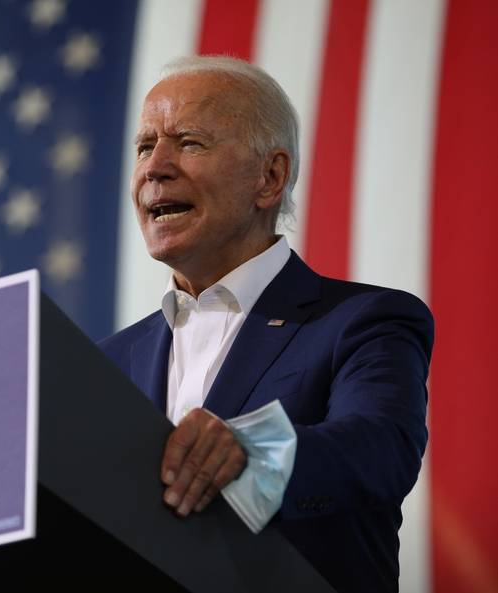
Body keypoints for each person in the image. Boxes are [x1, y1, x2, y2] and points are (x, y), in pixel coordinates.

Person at [99, 56, 433, 593]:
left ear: (269, 176)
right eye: (144, 147)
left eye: (188, 142)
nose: (154, 167)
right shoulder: (107, 361)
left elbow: (380, 449)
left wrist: (253, 450)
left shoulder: (362, 322)